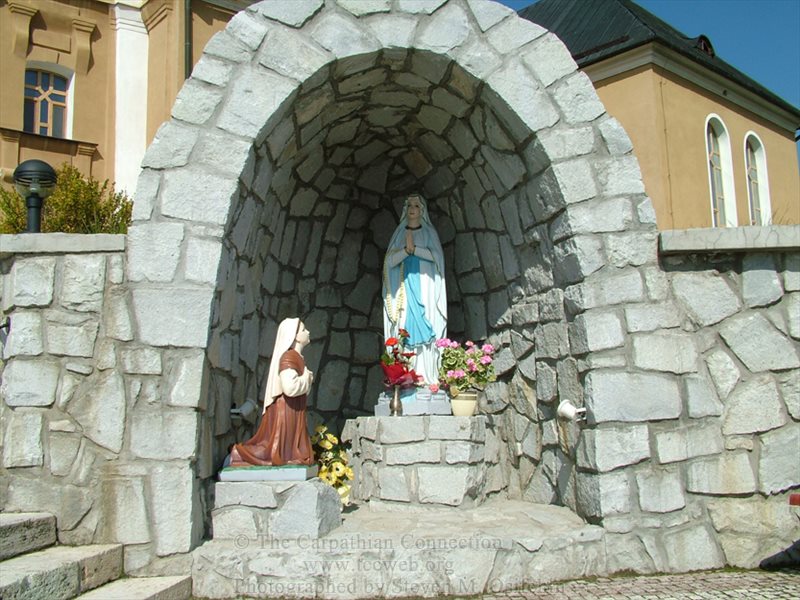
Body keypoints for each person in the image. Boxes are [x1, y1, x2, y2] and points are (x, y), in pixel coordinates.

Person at [228, 318, 314, 467]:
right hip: (286, 410)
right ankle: (240, 453)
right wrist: (306, 379)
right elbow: (290, 387)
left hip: (293, 407)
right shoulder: (289, 357)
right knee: (276, 449)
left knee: (289, 450)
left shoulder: (297, 357)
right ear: (295, 336)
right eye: (303, 330)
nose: (308, 332)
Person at [383, 194, 447, 384]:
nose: (412, 208)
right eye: (409, 205)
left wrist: (416, 250)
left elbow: (438, 258)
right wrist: (405, 251)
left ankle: (428, 376)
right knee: (404, 328)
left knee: (428, 326)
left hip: (425, 289)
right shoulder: (399, 235)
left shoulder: (429, 233)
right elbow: (389, 263)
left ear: (422, 210)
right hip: (404, 291)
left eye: (416, 205)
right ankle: (405, 378)